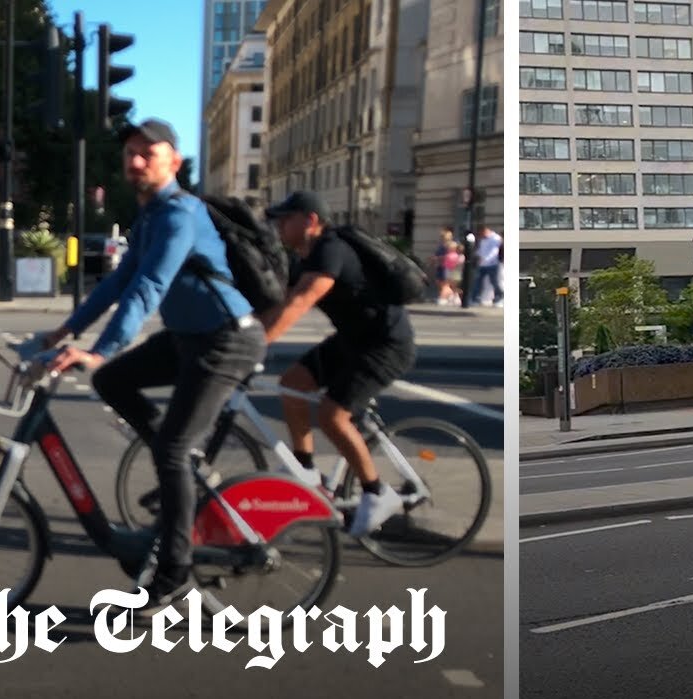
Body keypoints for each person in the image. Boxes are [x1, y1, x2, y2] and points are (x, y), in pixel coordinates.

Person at [39, 118, 267, 611]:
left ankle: (174, 576)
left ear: (174, 162)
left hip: (226, 339)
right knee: (114, 382)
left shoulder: (180, 214)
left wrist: (102, 347)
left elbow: (149, 288)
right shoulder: (148, 217)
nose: (136, 160)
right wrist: (65, 330)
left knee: (169, 449)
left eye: (148, 152)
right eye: (130, 153)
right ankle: (180, 460)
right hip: (188, 338)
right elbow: (117, 283)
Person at [259, 191, 416, 538]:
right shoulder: (306, 256)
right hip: (352, 341)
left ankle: (377, 492)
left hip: (385, 345)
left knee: (332, 414)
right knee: (292, 384)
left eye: (286, 219)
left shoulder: (331, 249)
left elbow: (302, 300)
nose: (279, 226)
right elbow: (279, 302)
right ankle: (306, 471)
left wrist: (258, 343)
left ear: (311, 220)